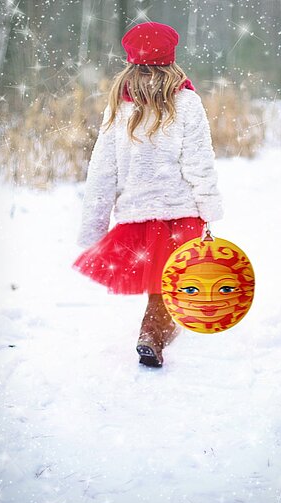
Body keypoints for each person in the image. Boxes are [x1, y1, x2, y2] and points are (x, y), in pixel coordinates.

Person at [72, 21, 224, 368]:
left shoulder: (119, 106)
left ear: (130, 60)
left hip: (138, 215)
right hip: (181, 213)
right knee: (172, 284)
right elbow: (199, 163)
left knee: (164, 282)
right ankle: (152, 335)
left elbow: (102, 171)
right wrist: (210, 209)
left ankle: (153, 333)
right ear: (172, 58)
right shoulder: (187, 103)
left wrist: (94, 226)